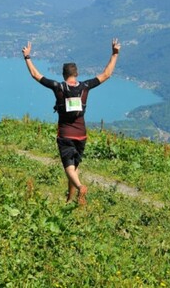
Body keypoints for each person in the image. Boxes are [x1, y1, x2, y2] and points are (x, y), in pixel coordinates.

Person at [22, 39, 121, 205]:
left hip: (65, 134)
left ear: (63, 74)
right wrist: (115, 54)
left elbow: (35, 75)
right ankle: (70, 199)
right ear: (77, 73)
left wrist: (27, 57)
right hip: (81, 135)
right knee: (74, 167)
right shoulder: (85, 87)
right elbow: (106, 74)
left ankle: (80, 187)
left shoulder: (58, 87)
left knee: (68, 166)